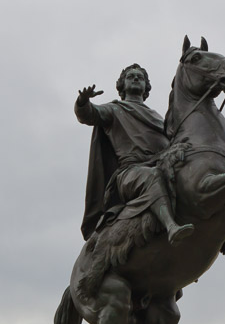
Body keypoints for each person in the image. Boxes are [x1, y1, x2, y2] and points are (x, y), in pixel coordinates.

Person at [75, 63, 194, 245]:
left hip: (160, 165)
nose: (136, 78)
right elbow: (89, 114)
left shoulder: (158, 117)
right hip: (130, 174)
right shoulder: (114, 109)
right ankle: (171, 226)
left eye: (140, 77)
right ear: (122, 86)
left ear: (146, 86)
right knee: (152, 176)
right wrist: (83, 103)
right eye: (131, 76)